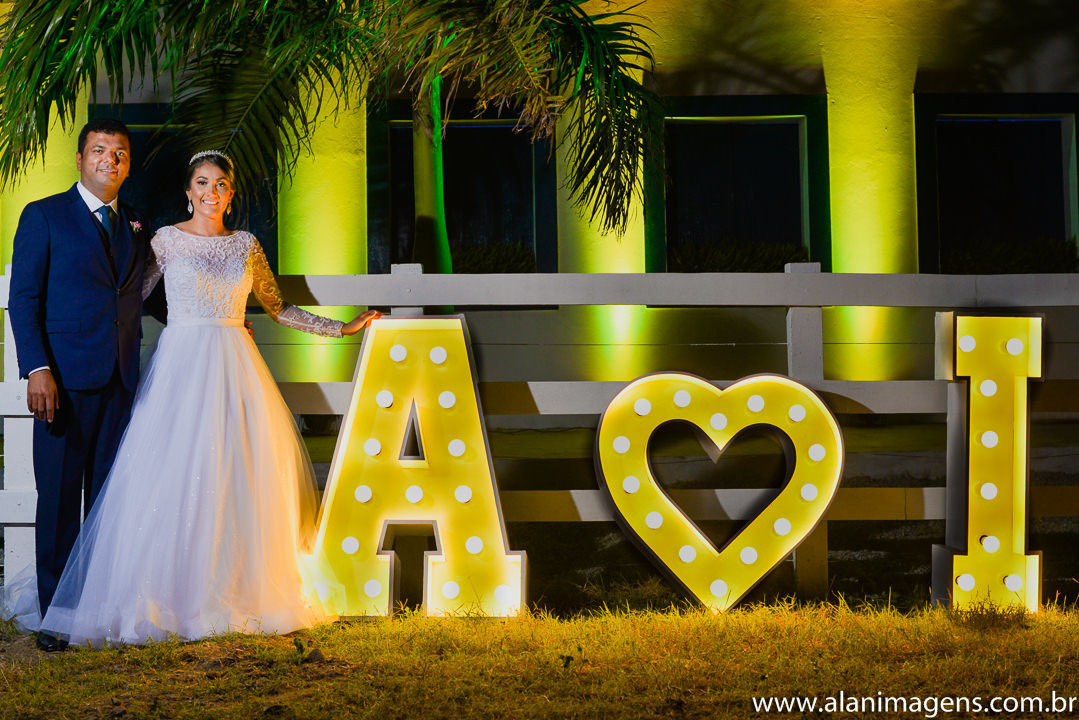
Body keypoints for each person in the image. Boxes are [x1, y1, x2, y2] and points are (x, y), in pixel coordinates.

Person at [35, 149, 379, 646]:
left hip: (235, 365)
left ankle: (232, 588)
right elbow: (129, 295)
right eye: (202, 183)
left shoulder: (247, 245)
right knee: (170, 471)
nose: (211, 193)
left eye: (221, 185)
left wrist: (342, 327)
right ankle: (159, 592)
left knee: (236, 472)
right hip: (181, 364)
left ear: (230, 194)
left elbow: (278, 309)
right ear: (189, 191)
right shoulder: (164, 241)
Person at [7, 118, 152, 651]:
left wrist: (219, 313)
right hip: (62, 383)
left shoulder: (134, 222)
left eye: (119, 153)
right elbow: (24, 300)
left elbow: (145, 295)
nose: (109, 161)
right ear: (80, 159)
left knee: (110, 502)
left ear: (127, 164)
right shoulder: (43, 216)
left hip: (119, 380)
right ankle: (56, 616)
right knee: (61, 500)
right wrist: (37, 368)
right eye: (99, 151)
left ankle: (98, 605)